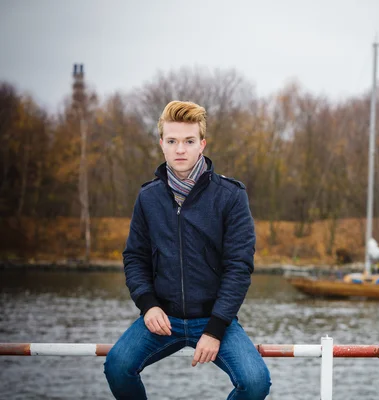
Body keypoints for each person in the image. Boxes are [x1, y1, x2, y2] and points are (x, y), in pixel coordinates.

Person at [104, 100, 271, 399]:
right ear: (162, 145)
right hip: (161, 318)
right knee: (117, 366)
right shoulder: (148, 198)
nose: (180, 149)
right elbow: (135, 258)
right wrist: (148, 305)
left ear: (202, 144)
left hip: (214, 318)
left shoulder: (231, 196)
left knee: (256, 382)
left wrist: (216, 328)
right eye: (172, 141)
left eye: (188, 141)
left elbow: (239, 267)